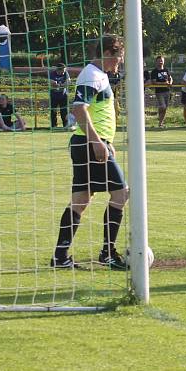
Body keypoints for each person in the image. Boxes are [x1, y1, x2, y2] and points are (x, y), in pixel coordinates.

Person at [51, 34, 129, 270]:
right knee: (121, 194)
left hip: (86, 144)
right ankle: (107, 252)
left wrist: (106, 140)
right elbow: (78, 109)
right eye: (118, 58)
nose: (119, 63)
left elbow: (96, 112)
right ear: (107, 52)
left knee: (80, 201)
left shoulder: (99, 75)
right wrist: (97, 142)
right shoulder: (92, 75)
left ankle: (60, 257)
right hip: (88, 145)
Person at [147, 56, 172, 128]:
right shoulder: (154, 71)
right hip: (159, 92)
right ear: (156, 62)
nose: (160, 62)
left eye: (162, 60)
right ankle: (159, 113)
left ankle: (161, 123)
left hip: (167, 91)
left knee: (165, 108)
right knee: (163, 106)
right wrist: (164, 84)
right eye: (159, 60)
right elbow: (154, 82)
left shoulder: (166, 70)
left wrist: (170, 82)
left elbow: (170, 78)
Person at [49, 63, 70, 128]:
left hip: (63, 96)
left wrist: (60, 85)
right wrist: (59, 84)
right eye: (63, 70)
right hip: (54, 96)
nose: (64, 72)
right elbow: (51, 82)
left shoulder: (66, 73)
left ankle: (66, 125)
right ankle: (54, 126)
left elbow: (68, 82)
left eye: (64, 70)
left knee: (64, 111)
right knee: (53, 111)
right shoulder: (52, 74)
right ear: (58, 70)